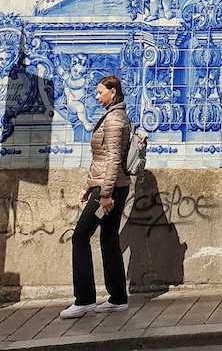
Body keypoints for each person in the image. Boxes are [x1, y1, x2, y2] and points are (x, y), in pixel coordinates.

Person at [60, 75, 131, 318]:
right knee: (108, 239)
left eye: (101, 92)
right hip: (107, 187)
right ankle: (118, 298)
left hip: (109, 190)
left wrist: (104, 194)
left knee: (80, 237)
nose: (97, 96)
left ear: (113, 92)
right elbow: (100, 159)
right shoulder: (114, 116)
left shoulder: (113, 120)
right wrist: (88, 186)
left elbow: (113, 159)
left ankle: (85, 299)